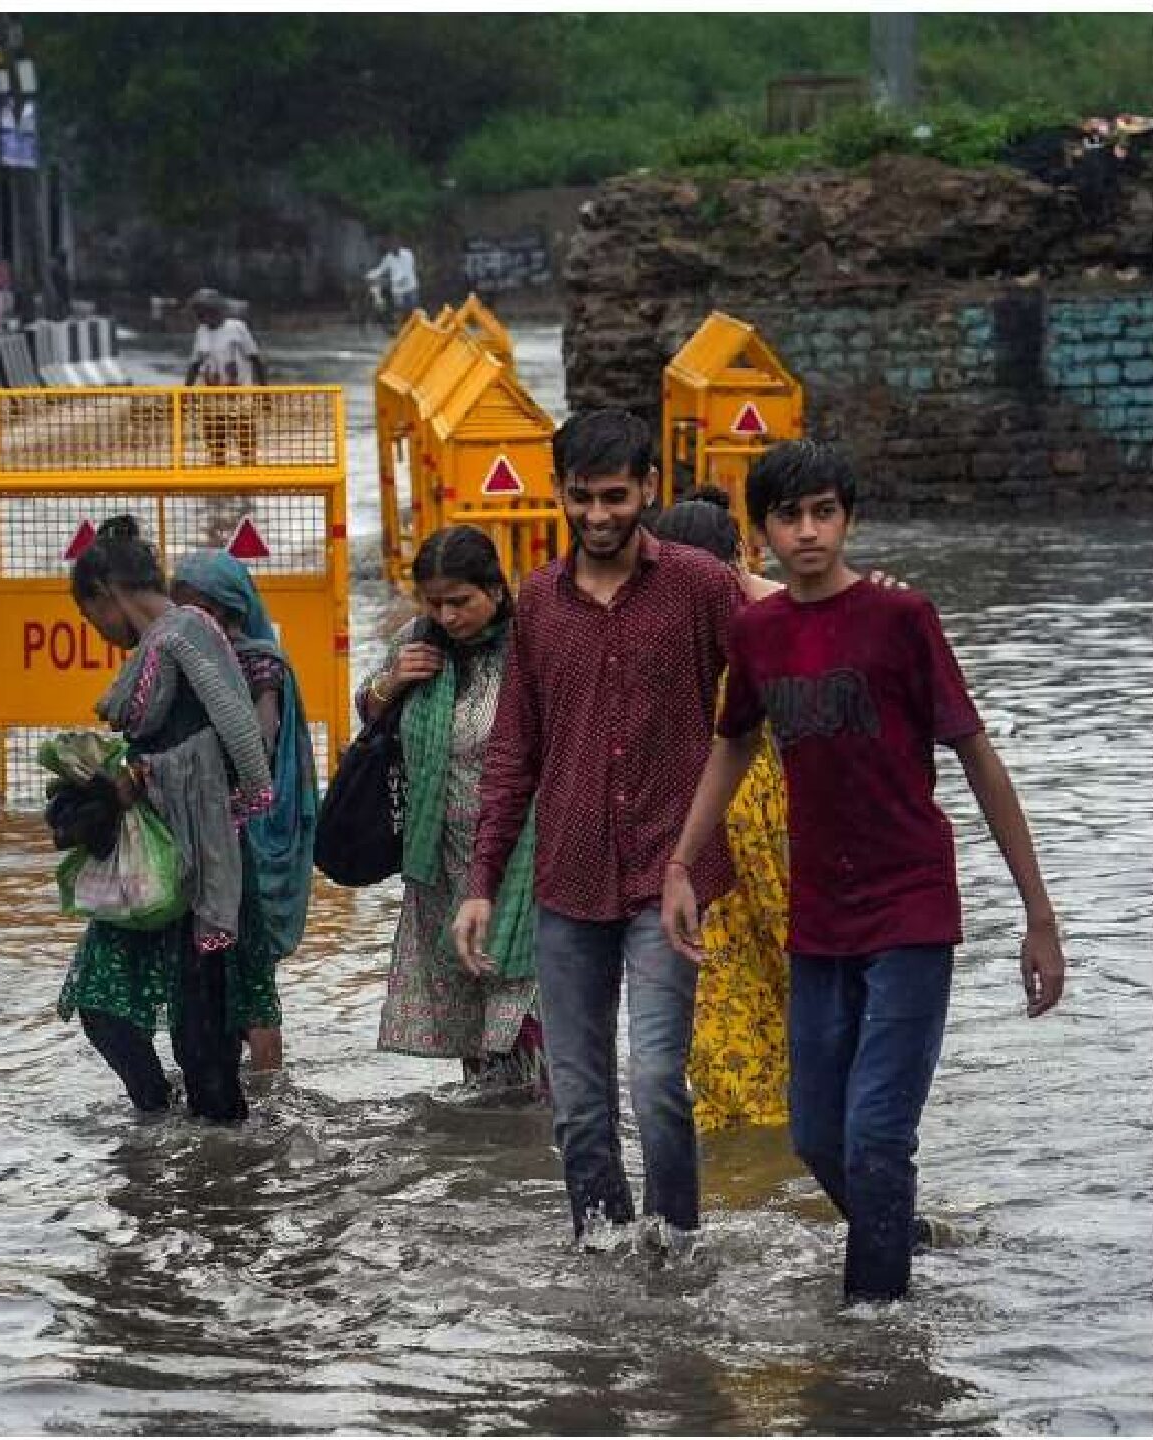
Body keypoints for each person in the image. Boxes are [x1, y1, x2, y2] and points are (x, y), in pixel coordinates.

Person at [663, 440, 1066, 1303]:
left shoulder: (902, 617)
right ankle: (901, 1236)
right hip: (822, 916)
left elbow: (977, 759)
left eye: (824, 513)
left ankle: (877, 1333)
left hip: (912, 904)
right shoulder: (757, 633)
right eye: (788, 516)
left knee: (878, 1133)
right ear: (763, 532)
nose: (807, 532)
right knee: (816, 1136)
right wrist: (681, 866)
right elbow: (732, 744)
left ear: (848, 518)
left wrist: (1039, 915)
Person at [450, 408, 747, 1254]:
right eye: (581, 499)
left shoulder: (698, 586)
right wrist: (480, 884)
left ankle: (679, 1248)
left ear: (647, 489)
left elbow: (772, 663)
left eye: (615, 497)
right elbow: (514, 752)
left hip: (669, 876)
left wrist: (845, 593)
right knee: (577, 1101)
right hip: (569, 879)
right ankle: (602, 1255)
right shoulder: (539, 602)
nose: (598, 516)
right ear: (558, 494)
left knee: (656, 1080)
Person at [56, 517, 276, 1123]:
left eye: (90, 617)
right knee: (116, 1011)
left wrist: (142, 778)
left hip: (202, 865)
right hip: (161, 861)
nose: (99, 635)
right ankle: (164, 1124)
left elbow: (237, 746)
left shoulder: (185, 637)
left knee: (199, 1036)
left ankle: (207, 1170)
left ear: (107, 593)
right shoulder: (173, 644)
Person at [362, 527, 546, 1100]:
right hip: (443, 864)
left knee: (523, 1001)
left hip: (521, 861)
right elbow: (368, 710)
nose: (447, 616)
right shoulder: (420, 645)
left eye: (460, 601)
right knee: (470, 1012)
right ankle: (489, 1155)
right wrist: (393, 683)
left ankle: (546, 1140)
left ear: (495, 588)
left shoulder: (529, 649)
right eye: (434, 603)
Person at [648, 498, 793, 1133]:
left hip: (699, 822)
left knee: (716, 979)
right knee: (785, 964)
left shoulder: (660, 620)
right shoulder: (769, 613)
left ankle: (739, 1156)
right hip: (754, 810)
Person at [170, 549, 320, 1072]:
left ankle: (267, 1094)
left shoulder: (258, 663)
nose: (182, 621)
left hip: (248, 839)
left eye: (194, 609)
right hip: (207, 839)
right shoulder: (188, 658)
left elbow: (258, 740)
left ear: (225, 610)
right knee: (210, 971)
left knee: (252, 980)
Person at [183, 288, 265, 468]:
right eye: (198, 314)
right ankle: (220, 485)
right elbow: (195, 364)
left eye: (203, 313)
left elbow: (255, 358)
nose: (201, 318)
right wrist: (185, 393)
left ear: (217, 311)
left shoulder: (237, 328)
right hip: (212, 399)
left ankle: (248, 483)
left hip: (240, 396)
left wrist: (264, 392)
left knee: (246, 443)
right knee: (215, 444)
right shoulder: (201, 332)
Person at [366, 238, 421, 319]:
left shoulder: (407, 254)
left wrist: (397, 279)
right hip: (398, 290)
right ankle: (400, 328)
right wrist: (370, 275)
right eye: (391, 247)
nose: (393, 248)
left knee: (413, 310)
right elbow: (381, 269)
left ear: (399, 246)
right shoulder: (389, 258)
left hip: (410, 287)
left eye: (395, 246)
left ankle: (413, 327)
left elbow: (408, 270)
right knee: (400, 311)